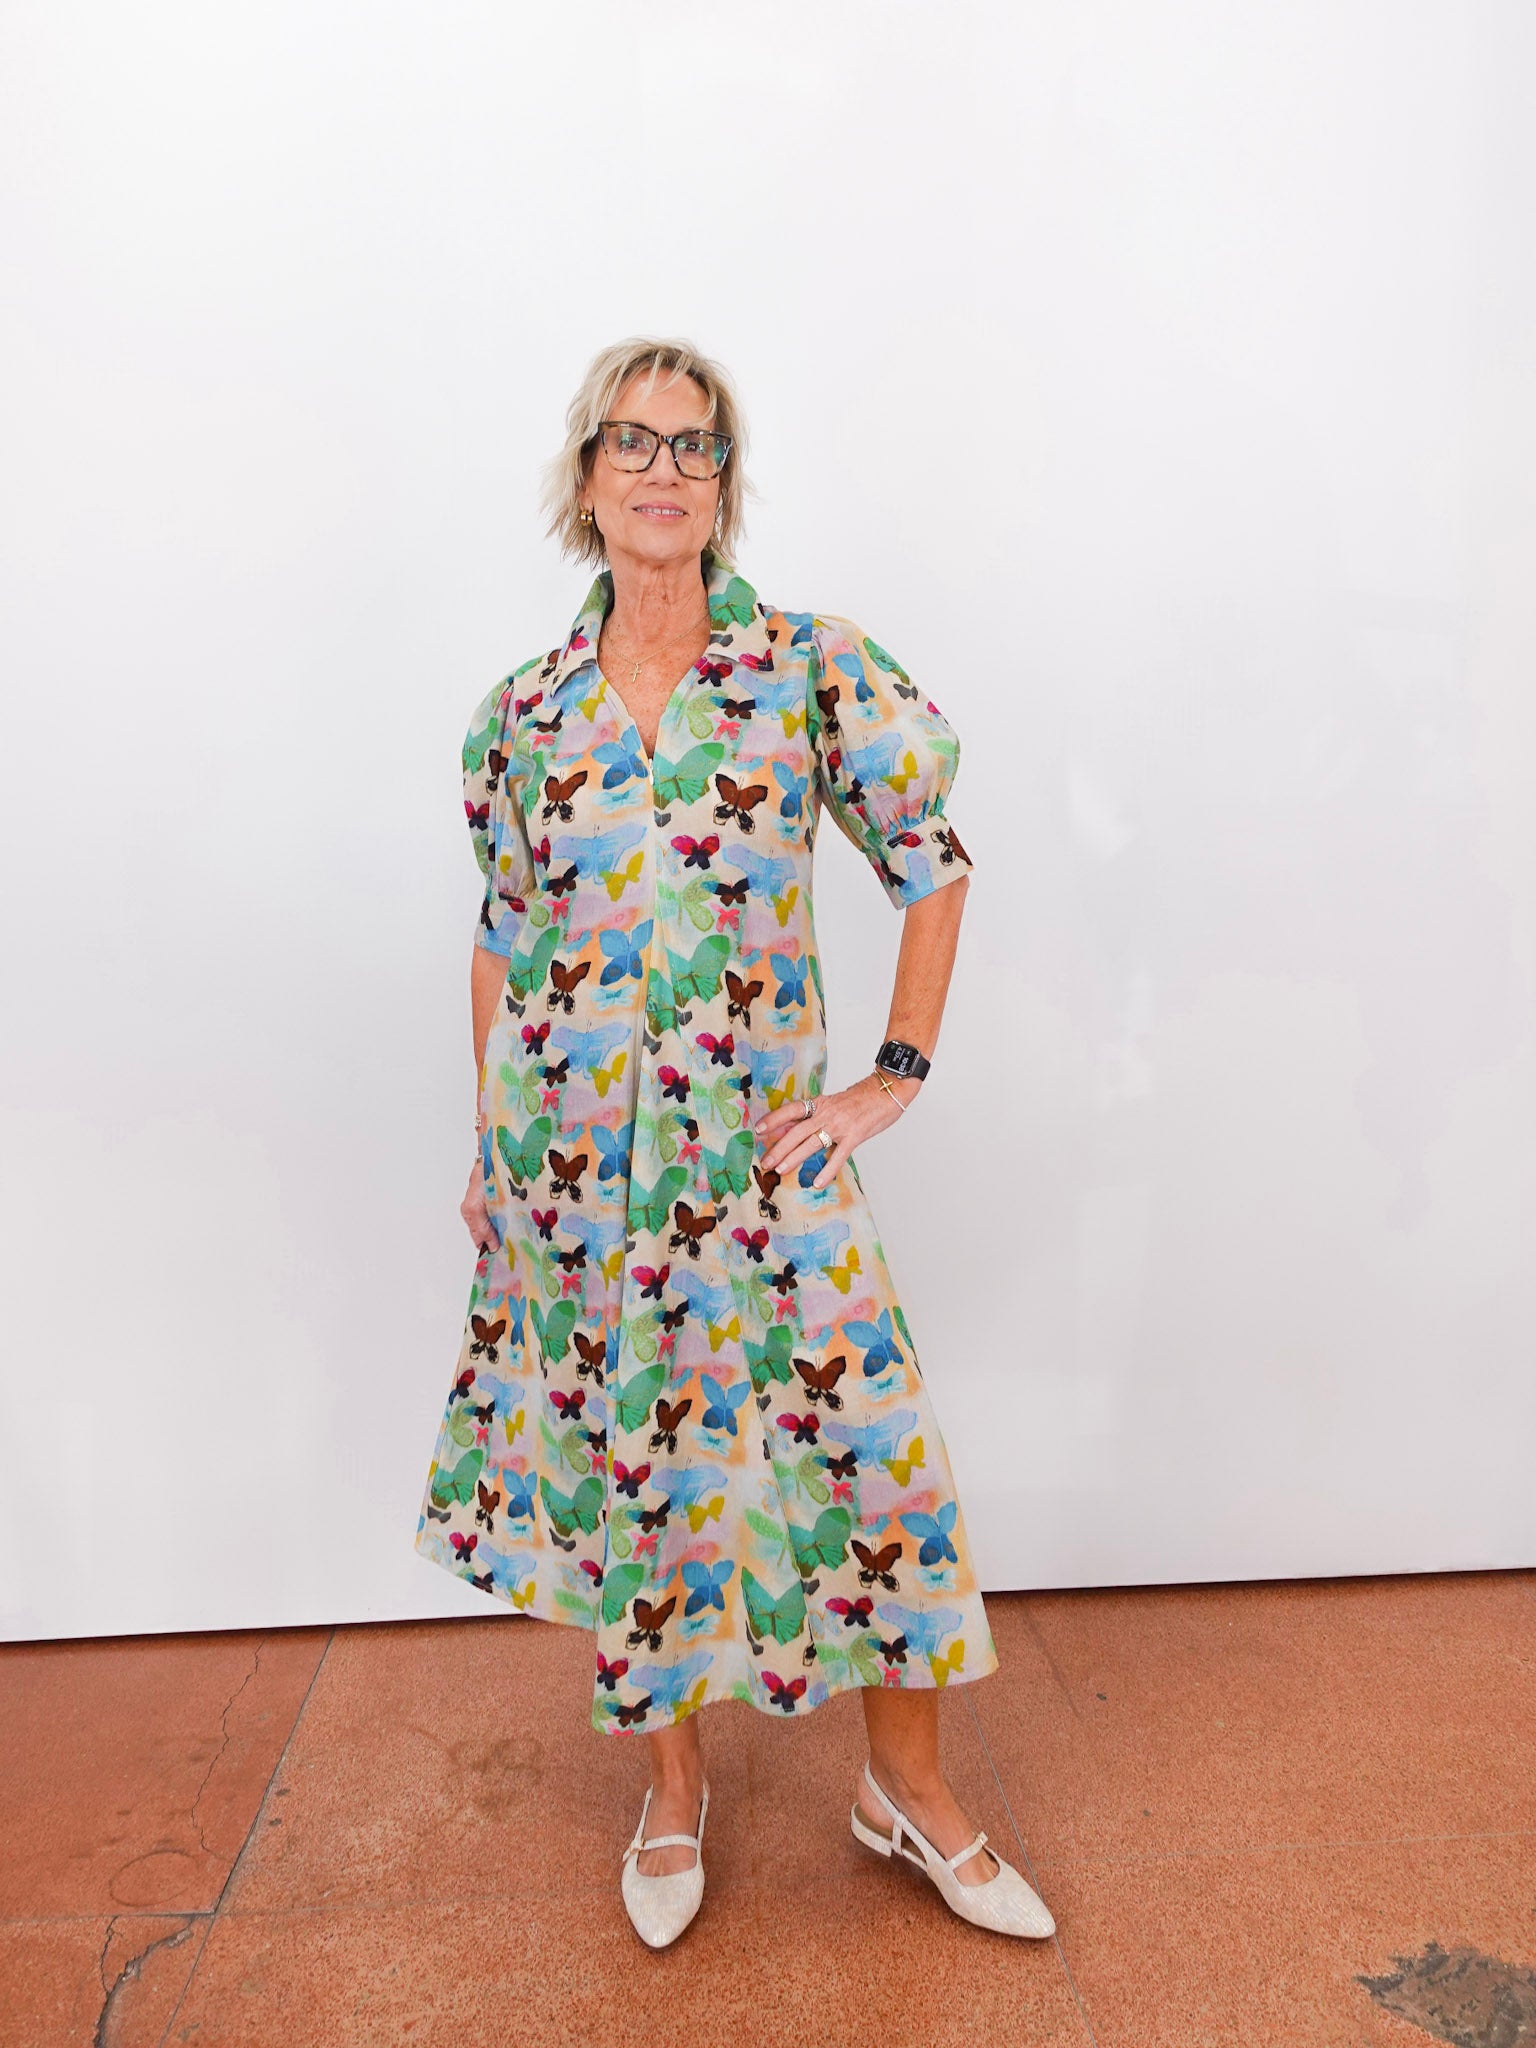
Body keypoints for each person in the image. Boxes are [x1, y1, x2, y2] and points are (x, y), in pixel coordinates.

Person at [415, 337, 1053, 1948]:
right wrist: (496, 1154)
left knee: (873, 1458)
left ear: (723, 485)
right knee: (644, 1477)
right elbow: (504, 933)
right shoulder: (523, 717)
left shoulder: (806, 670)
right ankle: (673, 1790)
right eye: (630, 443)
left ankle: (906, 1786)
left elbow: (933, 857)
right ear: (585, 482)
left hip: (761, 1163)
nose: (662, 470)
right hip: (576, 1174)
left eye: (694, 448)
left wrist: (889, 1075)